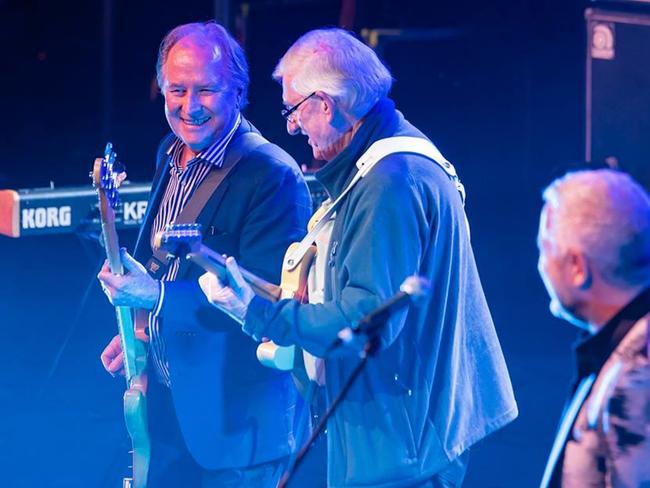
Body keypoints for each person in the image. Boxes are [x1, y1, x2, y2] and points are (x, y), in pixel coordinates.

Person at [199, 28, 518, 487]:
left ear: (324, 105)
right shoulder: (383, 162)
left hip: (408, 451)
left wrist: (257, 314)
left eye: (292, 110)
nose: (290, 126)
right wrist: (253, 293)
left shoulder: (389, 183)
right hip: (401, 437)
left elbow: (366, 319)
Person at [97, 21, 312, 487]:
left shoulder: (272, 176)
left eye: (206, 90)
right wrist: (142, 330)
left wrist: (154, 298)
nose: (189, 107)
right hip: (170, 414)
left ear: (238, 90)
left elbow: (266, 308)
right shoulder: (170, 152)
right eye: (177, 90)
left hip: (235, 430)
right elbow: (166, 267)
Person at [537, 169, 650, 487]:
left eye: (545, 249)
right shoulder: (625, 348)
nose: (541, 265)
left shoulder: (638, 376)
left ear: (577, 267)